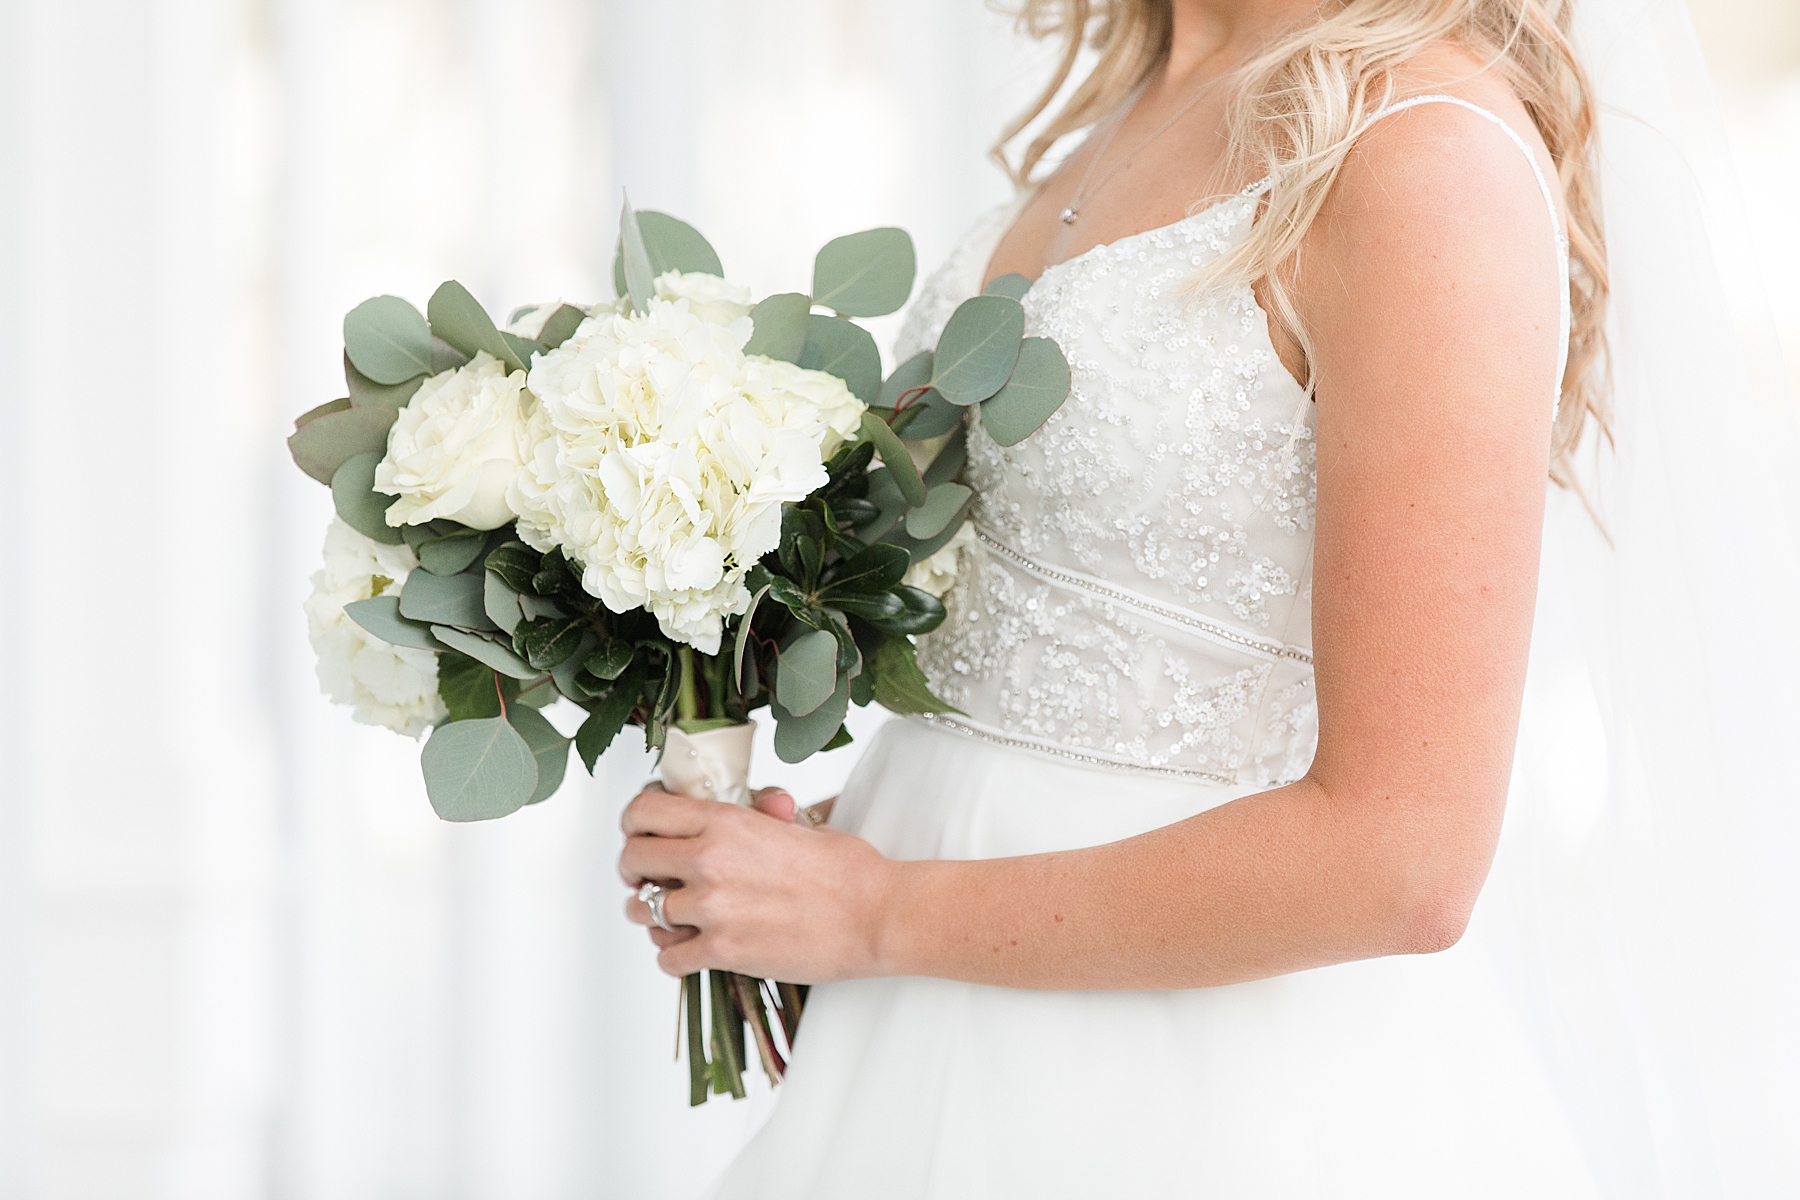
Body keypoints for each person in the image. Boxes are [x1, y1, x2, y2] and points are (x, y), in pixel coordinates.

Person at [621, 0, 1800, 1195]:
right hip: (939, 1024)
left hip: (1200, 1099)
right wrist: (809, 868)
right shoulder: (1135, 95)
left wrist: (883, 912)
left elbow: (1406, 857)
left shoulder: (1425, 153)